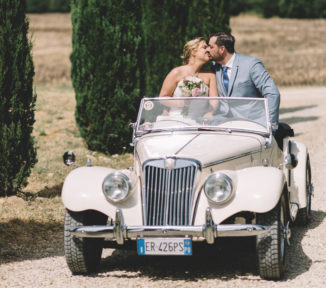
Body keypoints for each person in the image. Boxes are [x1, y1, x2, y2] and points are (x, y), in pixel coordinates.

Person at [207, 32, 280, 131]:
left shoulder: (251, 65)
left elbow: (272, 93)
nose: (208, 49)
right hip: (225, 125)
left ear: (222, 49)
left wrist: (270, 126)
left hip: (254, 125)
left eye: (211, 47)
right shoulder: (214, 67)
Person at [159, 37, 218, 119]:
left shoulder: (210, 75)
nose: (208, 50)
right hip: (176, 119)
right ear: (193, 52)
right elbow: (162, 98)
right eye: (204, 47)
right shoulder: (176, 72)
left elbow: (214, 100)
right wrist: (180, 103)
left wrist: (209, 113)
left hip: (200, 120)